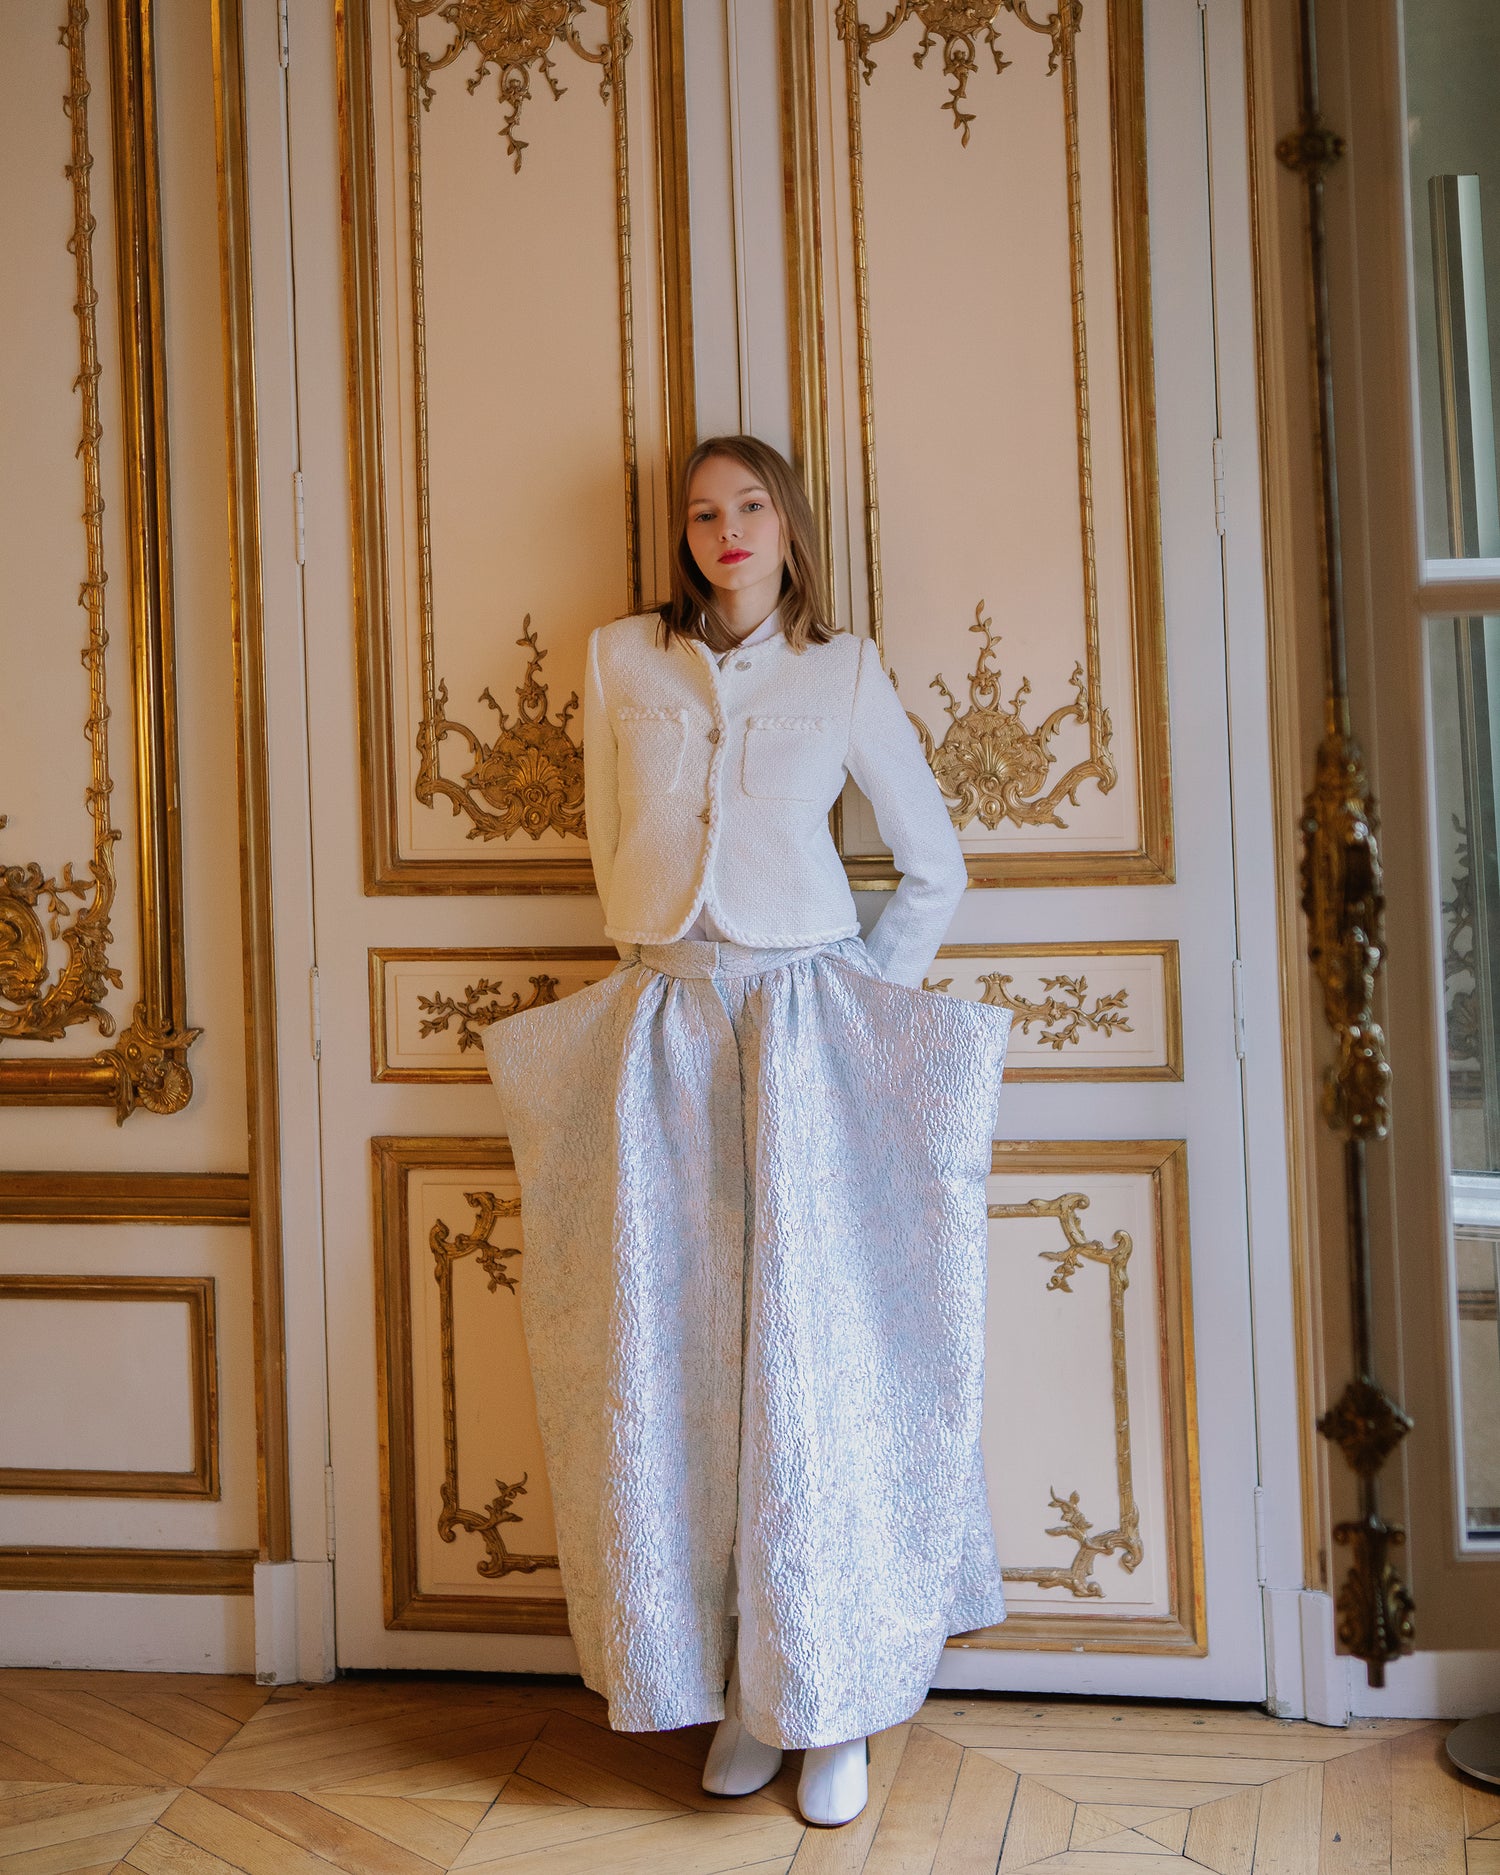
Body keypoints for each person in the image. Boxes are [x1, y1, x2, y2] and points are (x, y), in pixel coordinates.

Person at [483, 434, 1011, 1829]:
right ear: (685, 533)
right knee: (676, 1365)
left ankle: (829, 1698)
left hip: (805, 1034)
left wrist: (853, 1009)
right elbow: (611, 845)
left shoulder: (842, 670)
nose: (727, 530)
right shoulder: (623, 661)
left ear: (788, 525)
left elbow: (935, 865)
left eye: (751, 506)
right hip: (662, 1024)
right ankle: (732, 1691)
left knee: (809, 1362)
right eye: (704, 512)